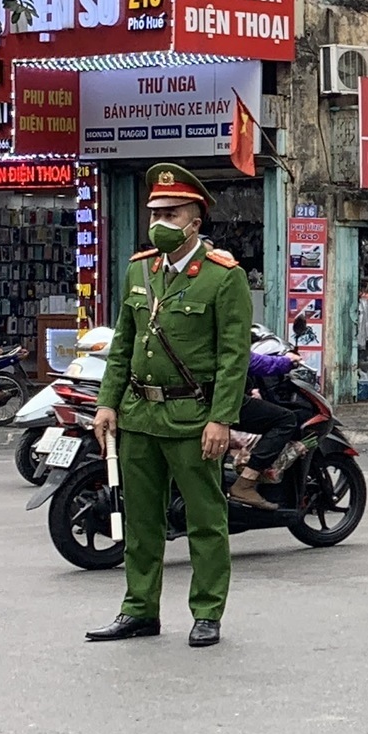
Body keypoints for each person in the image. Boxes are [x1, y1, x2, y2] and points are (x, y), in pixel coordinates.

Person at [88, 164, 253, 649]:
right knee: (141, 523)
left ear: (194, 221)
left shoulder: (224, 277)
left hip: (192, 418)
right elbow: (124, 343)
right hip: (140, 414)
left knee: (205, 521)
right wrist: (107, 404)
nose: (158, 219)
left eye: (170, 212)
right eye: (154, 211)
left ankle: (206, 612)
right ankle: (139, 609)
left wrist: (221, 418)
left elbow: (233, 356)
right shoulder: (141, 268)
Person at [229, 327, 306, 510]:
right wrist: (286, 362)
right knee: (286, 420)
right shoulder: (226, 327)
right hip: (224, 398)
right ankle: (245, 483)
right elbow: (251, 362)